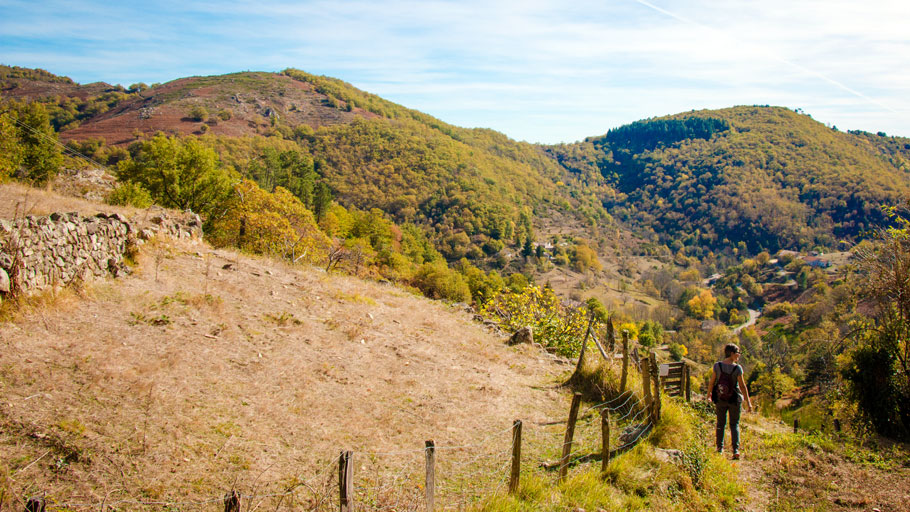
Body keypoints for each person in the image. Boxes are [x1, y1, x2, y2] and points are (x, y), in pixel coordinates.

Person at [707, 343, 753, 459]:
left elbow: (712, 382)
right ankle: (735, 450)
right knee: (734, 424)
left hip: (720, 398)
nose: (739, 355)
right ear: (732, 354)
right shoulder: (737, 368)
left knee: (720, 424)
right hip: (734, 400)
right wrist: (748, 403)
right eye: (738, 352)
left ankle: (719, 449)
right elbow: (742, 386)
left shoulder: (717, 366)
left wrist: (709, 395)